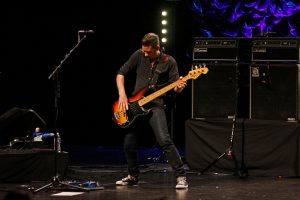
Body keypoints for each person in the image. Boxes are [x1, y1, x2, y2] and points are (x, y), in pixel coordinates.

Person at [115, 32, 188, 189]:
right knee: (129, 143)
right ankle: (133, 176)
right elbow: (121, 73)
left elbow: (176, 86)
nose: (145, 53)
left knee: (164, 140)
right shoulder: (139, 54)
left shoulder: (169, 62)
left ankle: (181, 176)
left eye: (148, 51)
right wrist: (122, 94)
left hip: (155, 105)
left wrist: (179, 87)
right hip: (135, 105)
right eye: (144, 50)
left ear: (157, 48)